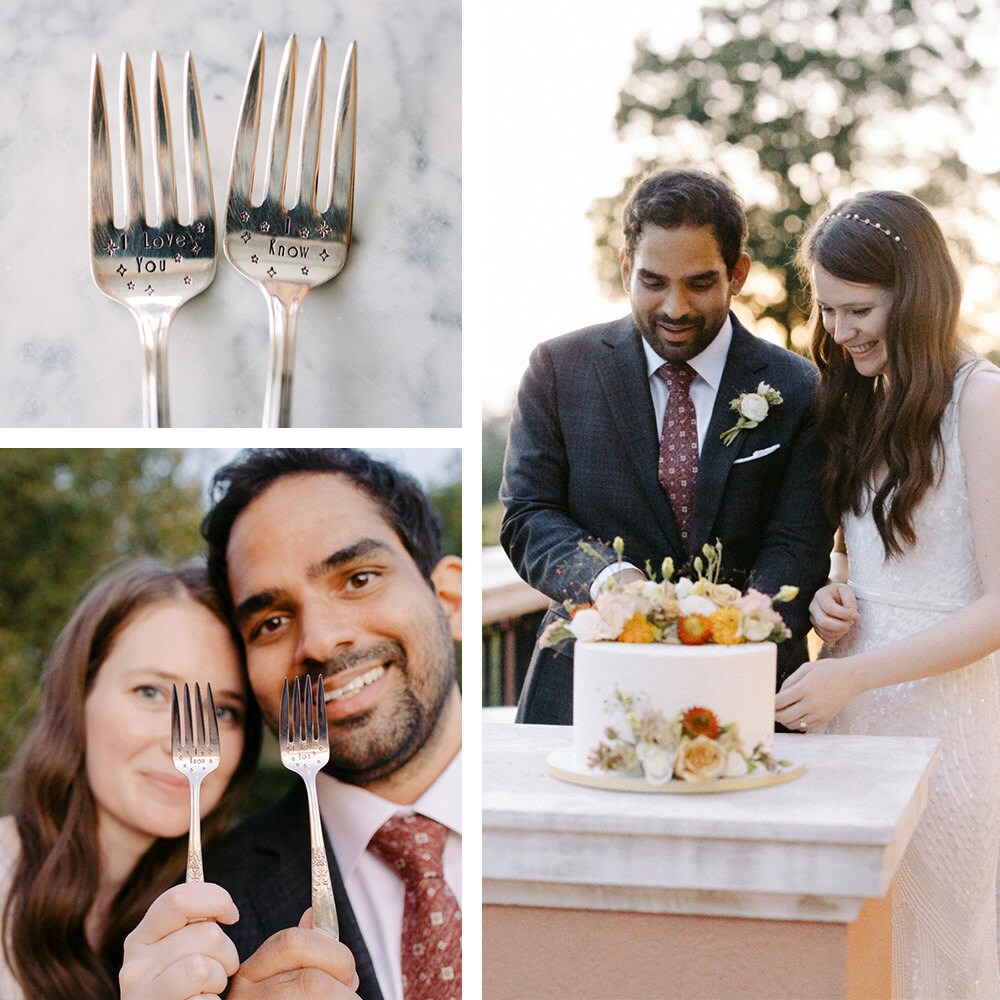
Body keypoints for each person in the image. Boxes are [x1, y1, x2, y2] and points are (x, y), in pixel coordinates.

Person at [123, 449, 462, 1000]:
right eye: (272, 621)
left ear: (450, 599)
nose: (321, 641)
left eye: (359, 578)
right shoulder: (201, 924)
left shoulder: (560, 801)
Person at [501, 167, 834, 724]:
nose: (675, 308)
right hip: (585, 687)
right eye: (653, 281)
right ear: (627, 269)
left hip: (750, 689)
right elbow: (528, 515)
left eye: (699, 283)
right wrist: (611, 582)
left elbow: (798, 538)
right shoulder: (558, 370)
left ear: (739, 274)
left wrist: (745, 624)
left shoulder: (800, 388)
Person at [775, 190, 1000, 998]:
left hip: (950, 726)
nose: (840, 332)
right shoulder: (861, 403)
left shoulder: (982, 398)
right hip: (853, 713)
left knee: (938, 957)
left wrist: (859, 673)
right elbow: (861, 560)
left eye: (859, 309)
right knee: (858, 965)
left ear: (917, 293)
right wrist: (833, 597)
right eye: (828, 311)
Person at [0, 560, 262, 1000]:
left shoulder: (239, 906)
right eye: (152, 692)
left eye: (221, 712)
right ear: (78, 695)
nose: (182, 743)